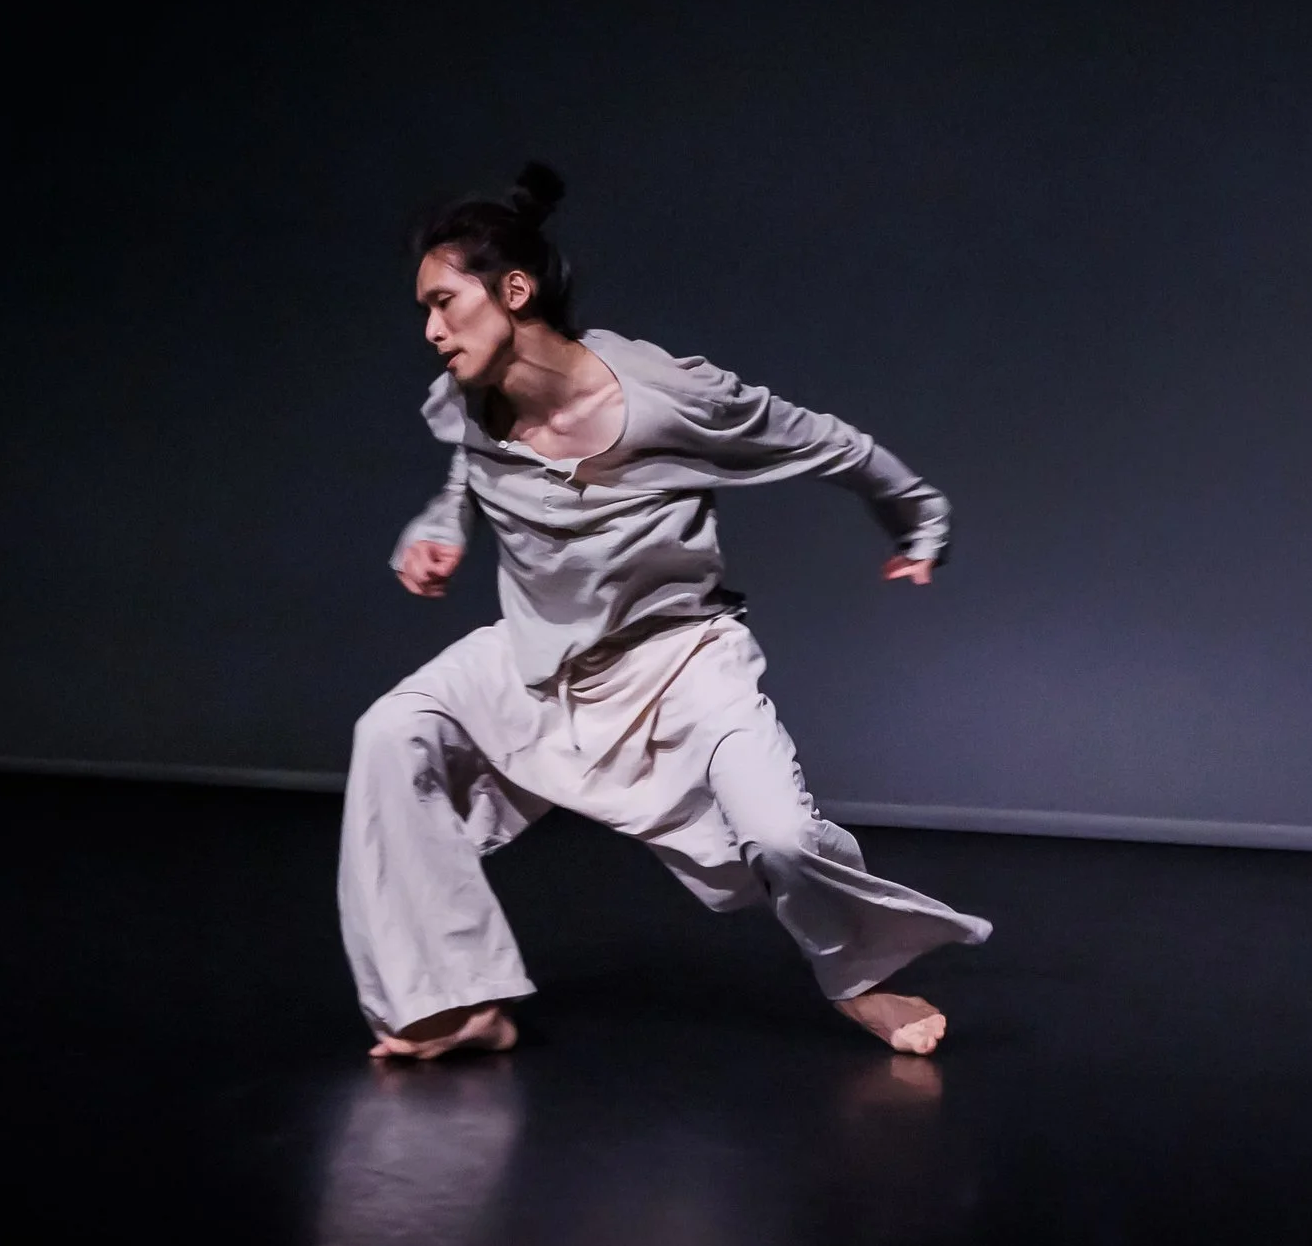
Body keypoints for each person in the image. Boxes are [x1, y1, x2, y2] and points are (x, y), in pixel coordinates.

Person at [339, 163, 991, 1060]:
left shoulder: (664, 395)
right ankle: (455, 1001)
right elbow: (466, 461)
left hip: (680, 656)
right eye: (425, 309)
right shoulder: (467, 395)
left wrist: (922, 521)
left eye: (445, 302)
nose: (431, 329)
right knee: (392, 735)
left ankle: (859, 981)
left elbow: (826, 441)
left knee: (784, 840)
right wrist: (436, 526)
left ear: (515, 290)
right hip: (539, 657)